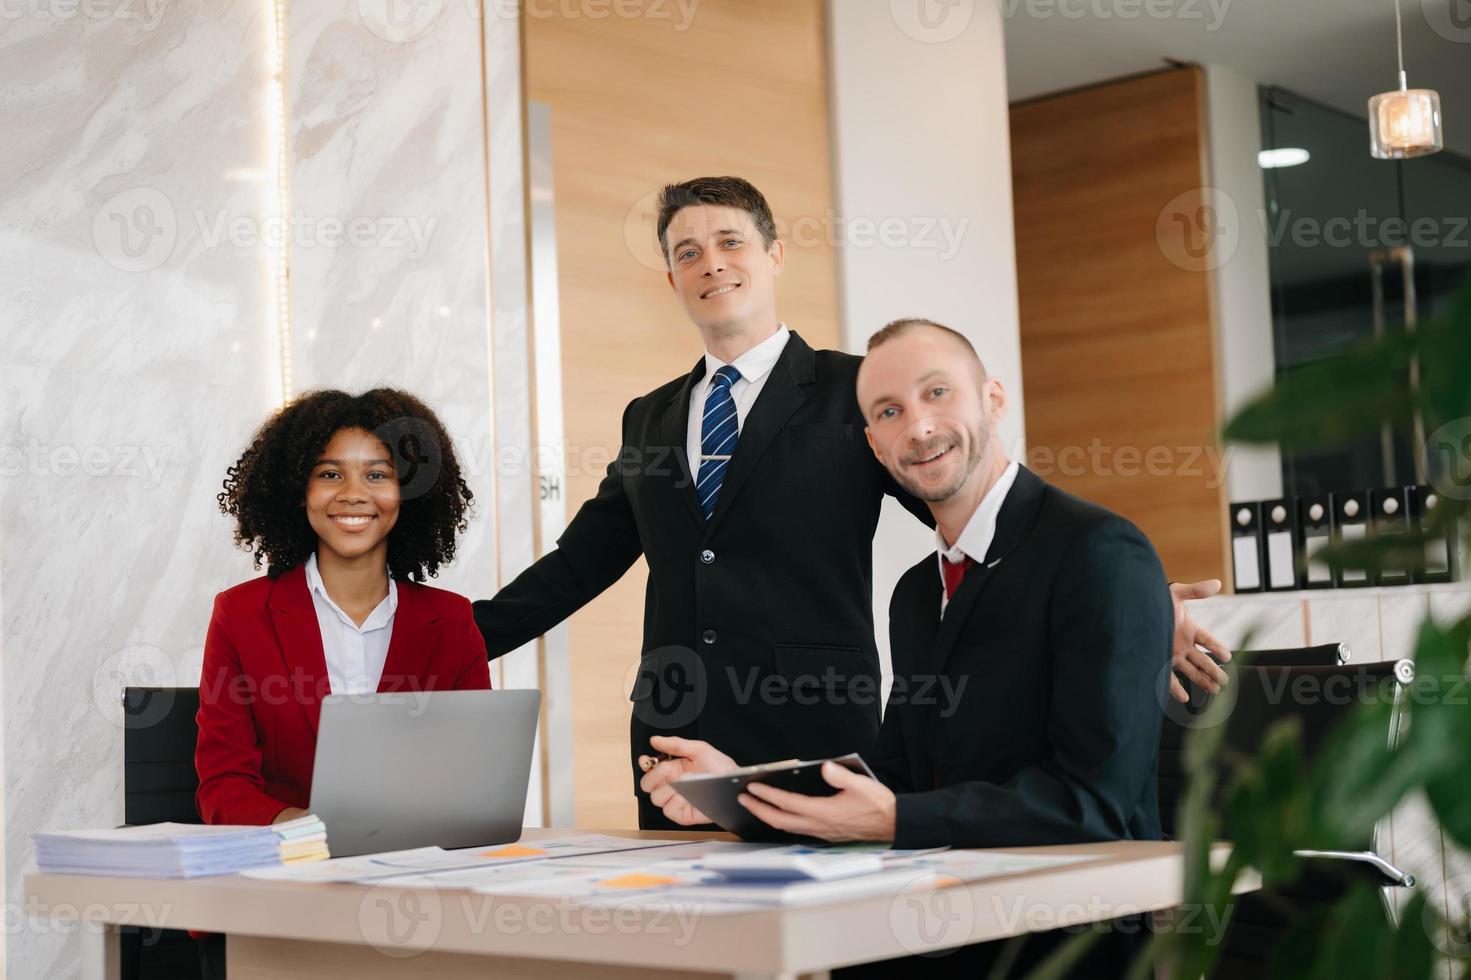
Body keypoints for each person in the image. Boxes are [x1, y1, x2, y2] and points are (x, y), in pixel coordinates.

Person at [475, 177, 1226, 829]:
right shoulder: (649, 415)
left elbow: (976, 504)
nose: (710, 264)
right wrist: (441, 644)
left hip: (811, 720)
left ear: (772, 255)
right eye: (686, 253)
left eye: (729, 242)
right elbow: (578, 565)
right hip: (677, 731)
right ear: (671, 280)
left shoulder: (859, 392)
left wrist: (1128, 600)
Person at [640, 318, 1173, 975]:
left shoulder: (1095, 554)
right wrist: (735, 790)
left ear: (993, 401)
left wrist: (894, 819)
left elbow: (1098, 805)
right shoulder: (917, 593)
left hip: (1065, 943)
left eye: (938, 394)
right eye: (889, 411)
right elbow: (895, 777)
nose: (917, 427)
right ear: (872, 444)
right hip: (940, 927)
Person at [195, 388, 491, 828]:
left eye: (377, 475)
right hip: (291, 876)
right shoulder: (241, 615)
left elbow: (476, 778)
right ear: (299, 489)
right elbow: (223, 786)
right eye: (330, 475)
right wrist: (310, 830)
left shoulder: (451, 621)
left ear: (407, 493)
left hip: (416, 875)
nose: (353, 494)